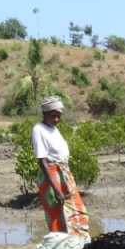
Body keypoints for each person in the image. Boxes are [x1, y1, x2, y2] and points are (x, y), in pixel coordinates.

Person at [33, 96, 89, 239]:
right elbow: (42, 161)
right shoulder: (39, 129)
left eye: (59, 116)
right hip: (52, 177)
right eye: (53, 116)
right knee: (58, 215)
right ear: (45, 114)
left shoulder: (54, 129)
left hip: (64, 174)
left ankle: (75, 247)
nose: (57, 119)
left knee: (76, 212)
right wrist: (56, 189)